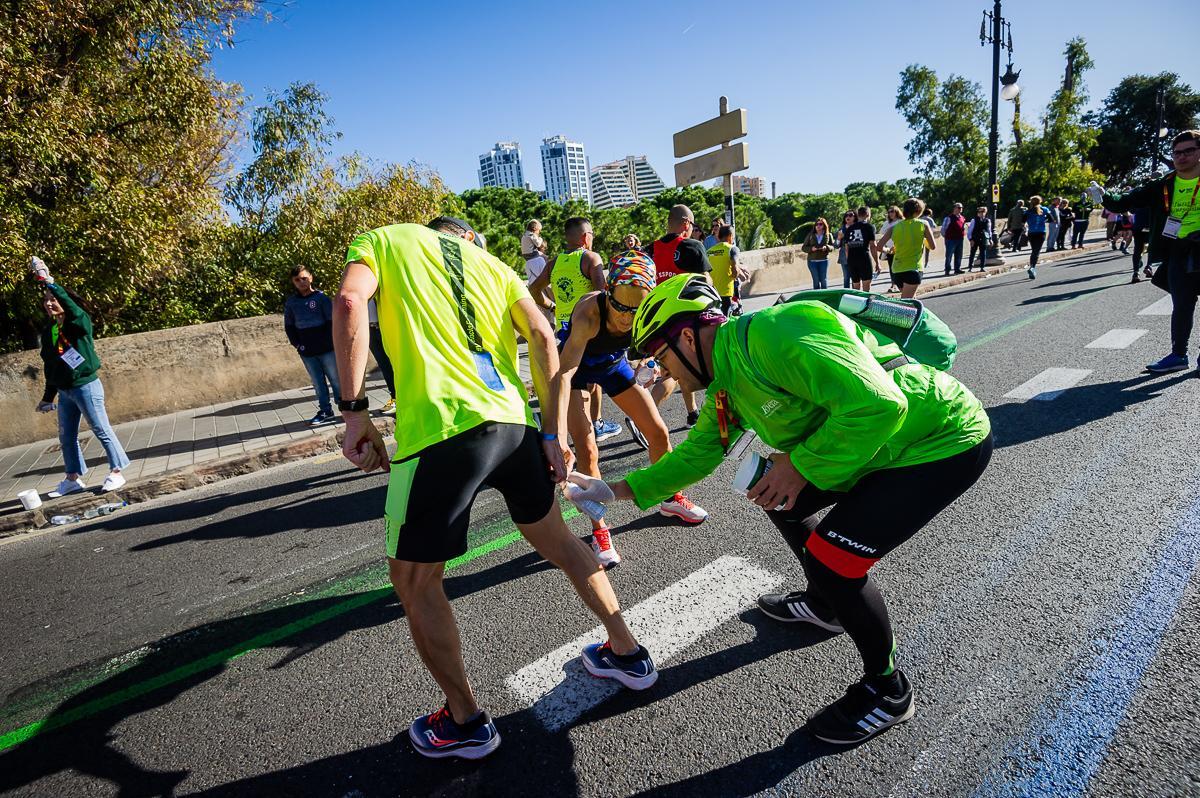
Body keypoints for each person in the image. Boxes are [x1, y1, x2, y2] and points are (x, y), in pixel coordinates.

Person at [566, 273, 992, 745]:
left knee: (834, 560)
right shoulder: (726, 385)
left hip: (940, 442)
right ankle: (827, 606)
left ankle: (888, 690)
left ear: (686, 335)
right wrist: (615, 490)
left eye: (660, 357)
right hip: (878, 446)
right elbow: (699, 453)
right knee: (777, 496)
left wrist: (800, 465)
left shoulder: (775, 331)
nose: (664, 372)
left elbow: (879, 404)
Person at [333, 217, 658, 760]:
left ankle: (465, 721)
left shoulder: (389, 238)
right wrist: (551, 434)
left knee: (415, 582)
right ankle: (626, 651)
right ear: (468, 238)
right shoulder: (496, 265)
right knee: (561, 543)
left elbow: (347, 303)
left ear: (434, 233)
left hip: (438, 431)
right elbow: (541, 339)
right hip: (512, 425)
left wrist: (353, 412)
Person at [556, 252, 708, 567]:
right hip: (576, 371)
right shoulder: (589, 312)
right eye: (621, 307)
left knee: (658, 431)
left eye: (636, 310)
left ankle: (670, 498)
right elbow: (565, 373)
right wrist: (556, 432)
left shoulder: (647, 310)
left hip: (613, 366)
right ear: (608, 292)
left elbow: (660, 349)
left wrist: (656, 365)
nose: (627, 317)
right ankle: (600, 531)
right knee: (588, 449)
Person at [29, 258, 132, 497]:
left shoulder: (78, 322)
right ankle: (72, 478)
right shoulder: (50, 331)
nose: (49, 304)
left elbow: (73, 309)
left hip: (86, 386)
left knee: (100, 428)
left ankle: (117, 471)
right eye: (45, 300)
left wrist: (50, 283)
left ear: (64, 300)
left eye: (53, 299)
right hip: (65, 390)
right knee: (66, 437)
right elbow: (51, 367)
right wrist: (48, 397)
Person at [1101, 130, 1200, 375]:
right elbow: (1126, 200)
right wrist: (1104, 197)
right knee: (1181, 305)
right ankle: (1178, 355)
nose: (1182, 157)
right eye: (1177, 153)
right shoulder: (1165, 184)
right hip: (1178, 250)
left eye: (1189, 151)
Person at [530, 217, 622, 443]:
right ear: (585, 237)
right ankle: (596, 423)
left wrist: (552, 306)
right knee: (595, 376)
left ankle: (572, 426)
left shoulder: (554, 262)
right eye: (592, 235)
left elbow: (533, 290)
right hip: (589, 328)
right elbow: (603, 293)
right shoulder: (591, 258)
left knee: (573, 379)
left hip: (564, 330)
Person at [645, 204, 708, 427]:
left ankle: (693, 413)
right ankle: (645, 416)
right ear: (685, 224)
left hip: (658, 320)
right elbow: (706, 283)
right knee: (674, 374)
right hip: (686, 321)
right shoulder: (692, 246)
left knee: (678, 370)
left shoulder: (649, 250)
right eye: (692, 225)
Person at [284, 265, 342, 426]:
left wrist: (330, 342)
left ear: (311, 278)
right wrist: (298, 345)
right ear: (293, 282)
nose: (301, 282)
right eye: (297, 280)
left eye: (304, 278)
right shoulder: (292, 303)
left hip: (327, 349)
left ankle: (344, 407)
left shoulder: (321, 299)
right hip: (307, 351)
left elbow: (332, 323)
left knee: (336, 379)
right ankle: (325, 410)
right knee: (317, 382)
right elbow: (289, 326)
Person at [878, 198, 936, 299]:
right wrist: (922, 240)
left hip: (897, 271)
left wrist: (889, 250)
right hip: (913, 269)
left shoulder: (893, 228)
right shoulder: (923, 224)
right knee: (907, 305)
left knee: (912, 301)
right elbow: (932, 246)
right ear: (918, 211)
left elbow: (878, 247)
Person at [367, 298, 396, 415]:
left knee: (397, 364)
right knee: (384, 366)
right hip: (370, 329)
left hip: (386, 326)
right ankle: (395, 398)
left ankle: (407, 398)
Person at [707, 224, 744, 314]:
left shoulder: (709, 251)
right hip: (726, 293)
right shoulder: (732, 249)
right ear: (730, 236)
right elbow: (735, 270)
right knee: (725, 320)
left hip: (710, 293)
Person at [842, 206, 879, 292]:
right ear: (868, 215)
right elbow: (873, 245)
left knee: (856, 287)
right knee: (866, 286)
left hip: (851, 260)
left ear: (858, 215)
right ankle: (866, 304)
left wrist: (849, 261)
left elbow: (846, 248)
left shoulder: (849, 228)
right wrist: (877, 262)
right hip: (864, 258)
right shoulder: (869, 227)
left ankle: (856, 303)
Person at [1022, 196, 1054, 279]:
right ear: (1040, 201)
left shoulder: (1028, 211)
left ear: (1031, 202)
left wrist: (1027, 225)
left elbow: (1022, 222)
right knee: (1036, 251)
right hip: (1041, 232)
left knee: (1034, 251)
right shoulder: (1045, 209)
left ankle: (1032, 267)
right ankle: (1032, 268)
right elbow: (1051, 219)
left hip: (1031, 233)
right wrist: (1044, 220)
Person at [802, 217, 835, 289]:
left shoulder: (828, 235)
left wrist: (826, 247)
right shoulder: (810, 235)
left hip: (823, 260)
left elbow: (833, 247)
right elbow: (804, 248)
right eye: (816, 224)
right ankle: (817, 297)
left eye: (820, 224)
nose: (818, 226)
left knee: (823, 280)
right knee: (816, 280)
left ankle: (825, 297)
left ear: (824, 225)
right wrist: (811, 249)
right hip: (812, 261)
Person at [940, 203, 967, 275]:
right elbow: (943, 230)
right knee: (949, 255)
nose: (960, 209)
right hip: (950, 240)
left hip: (960, 239)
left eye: (961, 207)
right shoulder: (948, 218)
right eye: (959, 207)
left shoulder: (962, 218)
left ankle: (957, 269)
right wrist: (947, 237)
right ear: (954, 208)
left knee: (959, 255)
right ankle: (947, 270)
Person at [521, 219, 548, 286]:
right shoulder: (531, 235)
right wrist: (540, 239)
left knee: (543, 256)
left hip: (526, 255)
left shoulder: (524, 235)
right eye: (539, 230)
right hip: (532, 254)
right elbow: (538, 244)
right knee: (544, 257)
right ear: (535, 229)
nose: (539, 233)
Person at [1130, 207, 1153, 282]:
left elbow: (1131, 210)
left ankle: (1136, 273)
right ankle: (1149, 267)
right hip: (1150, 226)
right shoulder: (1155, 196)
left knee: (1137, 249)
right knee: (1151, 247)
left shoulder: (1137, 196)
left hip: (1139, 226)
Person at [966, 206, 993, 272]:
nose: (981, 213)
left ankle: (982, 267)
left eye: (982, 212)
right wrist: (970, 239)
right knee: (972, 253)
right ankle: (970, 267)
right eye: (979, 212)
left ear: (985, 212)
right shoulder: (974, 220)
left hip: (984, 238)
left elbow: (989, 231)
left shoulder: (987, 220)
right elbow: (970, 231)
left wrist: (990, 239)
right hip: (975, 238)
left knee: (983, 253)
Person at [836, 210, 856, 289]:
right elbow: (836, 245)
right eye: (846, 215)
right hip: (844, 258)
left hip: (855, 256)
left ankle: (857, 295)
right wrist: (839, 238)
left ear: (854, 217)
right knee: (846, 278)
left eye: (850, 215)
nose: (848, 217)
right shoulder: (841, 229)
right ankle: (847, 296)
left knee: (855, 277)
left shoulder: (857, 227)